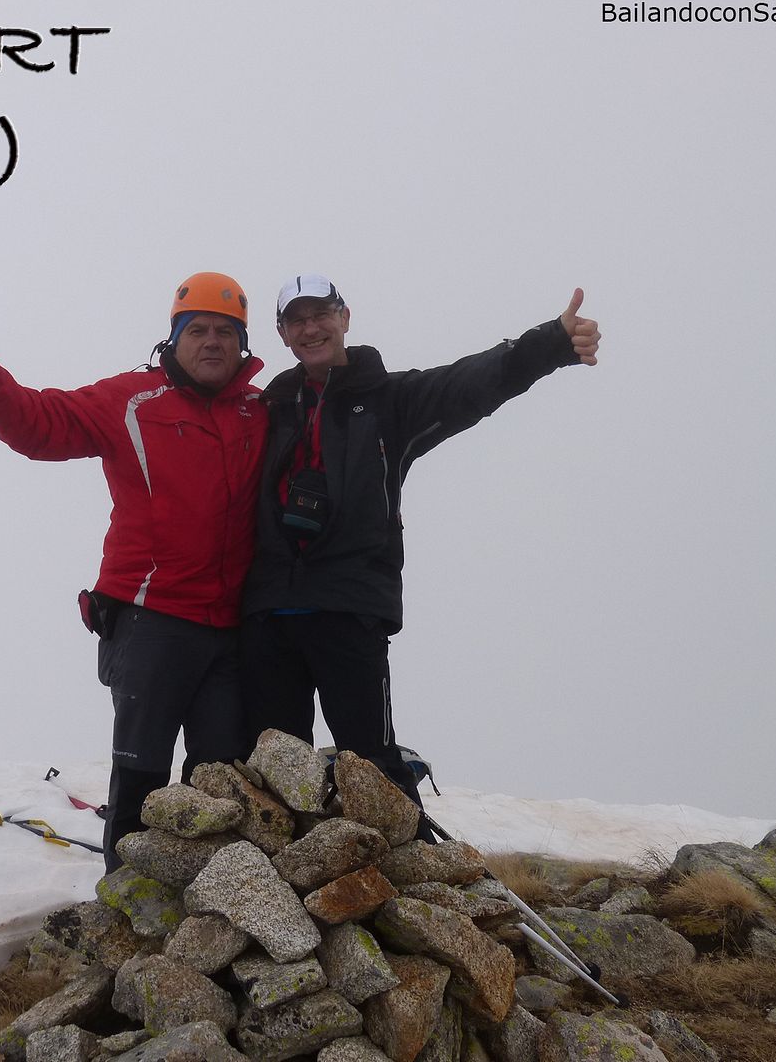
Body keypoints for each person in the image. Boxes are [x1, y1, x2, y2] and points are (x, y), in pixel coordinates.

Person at [239, 274, 601, 822]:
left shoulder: (389, 399)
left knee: (372, 763)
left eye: (321, 315)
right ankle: (288, 871)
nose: (310, 328)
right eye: (297, 320)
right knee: (274, 769)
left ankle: (412, 866)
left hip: (349, 608)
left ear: (344, 317)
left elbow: (471, 383)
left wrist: (550, 343)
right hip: (268, 612)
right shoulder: (268, 407)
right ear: (282, 333)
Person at [0, 273, 267, 872]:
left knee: (222, 777)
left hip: (228, 629)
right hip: (150, 622)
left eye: (226, 332)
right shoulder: (133, 400)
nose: (212, 342)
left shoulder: (258, 411)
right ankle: (124, 907)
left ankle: (203, 906)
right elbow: (40, 425)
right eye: (197, 329)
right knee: (141, 776)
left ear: (242, 344)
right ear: (174, 338)